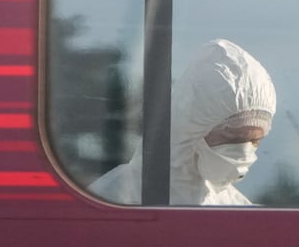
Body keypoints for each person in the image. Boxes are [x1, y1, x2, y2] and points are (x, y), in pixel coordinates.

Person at [89, 39, 277, 206]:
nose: (245, 153)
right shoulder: (112, 199)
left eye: (255, 142)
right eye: (234, 138)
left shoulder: (233, 207)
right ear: (192, 128)